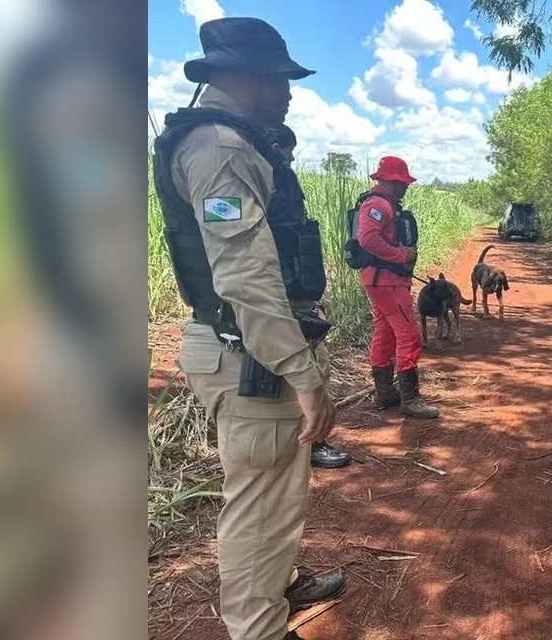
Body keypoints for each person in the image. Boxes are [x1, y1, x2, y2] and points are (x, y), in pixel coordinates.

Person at [151, 17, 345, 640]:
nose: (287, 93)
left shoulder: (225, 141)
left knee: (275, 491)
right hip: (250, 356)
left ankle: (277, 585)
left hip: (246, 347)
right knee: (262, 504)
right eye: (279, 80)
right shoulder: (222, 149)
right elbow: (246, 276)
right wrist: (302, 374)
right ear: (245, 76)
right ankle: (259, 627)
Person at [267, 124, 352, 470]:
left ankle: (311, 442)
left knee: (317, 367)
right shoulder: (261, 180)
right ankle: (310, 444)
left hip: (298, 299)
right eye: (285, 149)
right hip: (281, 302)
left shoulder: (281, 183)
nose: (290, 157)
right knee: (304, 374)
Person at [355, 156, 440, 419]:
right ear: (392, 182)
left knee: (385, 333)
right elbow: (367, 238)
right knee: (409, 335)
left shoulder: (381, 203)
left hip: (381, 280)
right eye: (403, 183)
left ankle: (385, 393)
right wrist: (401, 255)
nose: (406, 187)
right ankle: (410, 399)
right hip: (387, 281)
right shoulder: (379, 204)